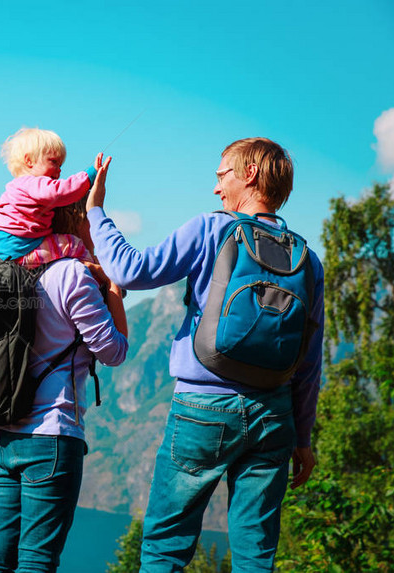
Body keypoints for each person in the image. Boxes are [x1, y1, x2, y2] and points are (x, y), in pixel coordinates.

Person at [85, 138, 324, 571]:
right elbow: (309, 362)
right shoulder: (308, 260)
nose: (217, 189)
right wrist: (303, 437)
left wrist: (96, 211)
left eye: (222, 176)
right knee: (255, 551)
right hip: (275, 417)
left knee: (165, 546)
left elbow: (130, 271)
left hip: (203, 408)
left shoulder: (212, 229)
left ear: (249, 174)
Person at [0, 176, 129, 573]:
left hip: (3, 432)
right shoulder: (73, 276)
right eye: (94, 219)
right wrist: (113, 292)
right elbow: (114, 352)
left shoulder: (15, 271)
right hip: (53, 433)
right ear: (79, 220)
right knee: (37, 560)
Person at [0, 127, 103, 266]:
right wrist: (90, 175)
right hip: (22, 250)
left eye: (61, 165)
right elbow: (62, 191)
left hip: (2, 251)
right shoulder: (34, 183)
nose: (59, 170)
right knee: (73, 244)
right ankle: (97, 275)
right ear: (29, 160)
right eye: (54, 161)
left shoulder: (14, 187)